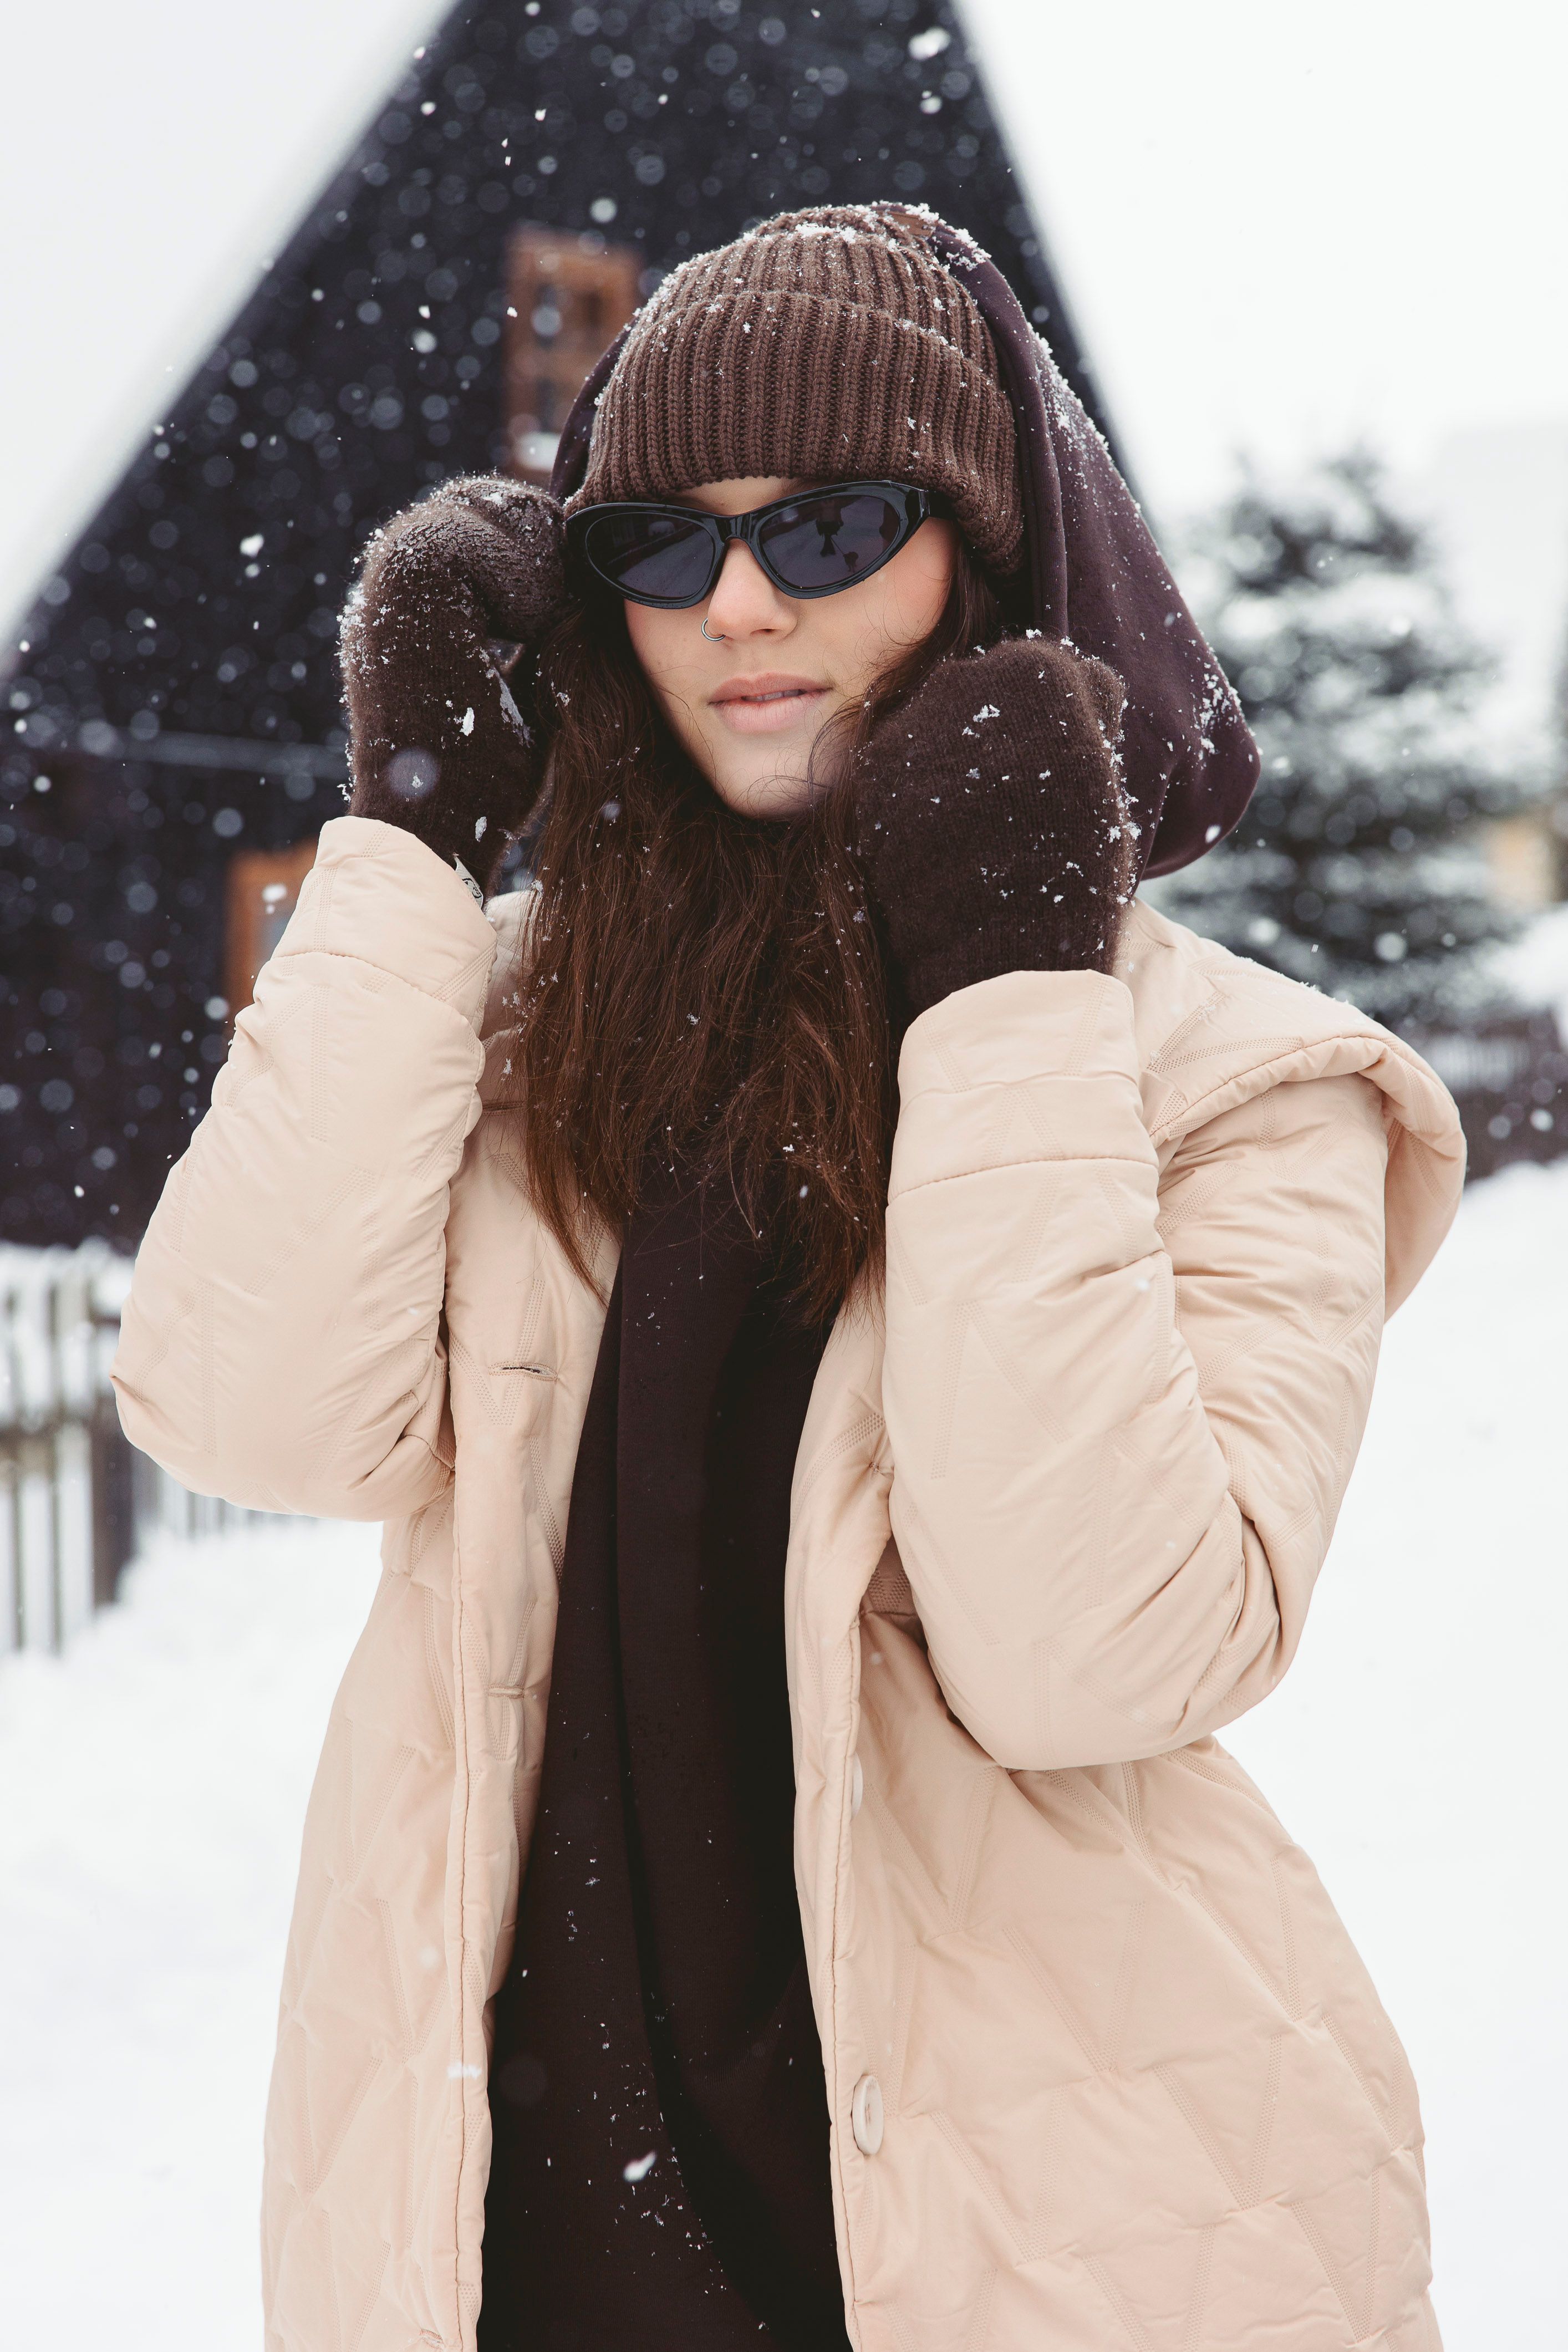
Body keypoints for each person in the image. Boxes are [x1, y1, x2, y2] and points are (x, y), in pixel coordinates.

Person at [114, 205, 1466, 2352]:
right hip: (506, 2237)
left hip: (1061, 2240)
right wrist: (411, 832)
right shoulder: (501, 1026)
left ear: (982, 567)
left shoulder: (1239, 1082)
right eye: (658, 546)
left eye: (832, 526)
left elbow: (1089, 1658)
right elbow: (244, 1410)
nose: (740, 604)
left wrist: (1010, 983)